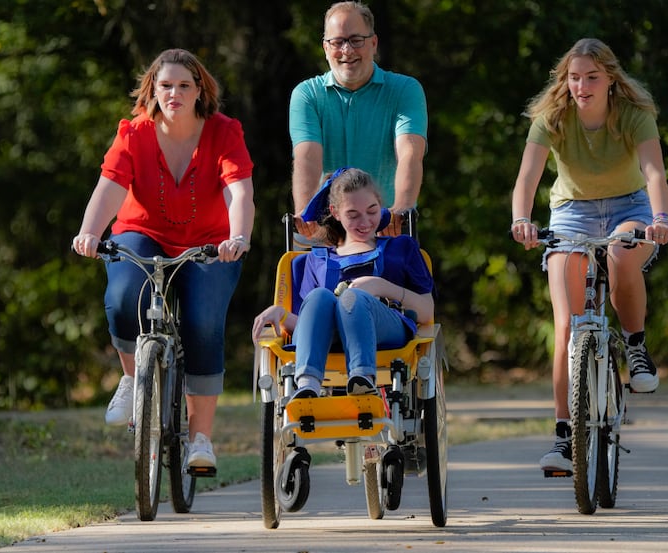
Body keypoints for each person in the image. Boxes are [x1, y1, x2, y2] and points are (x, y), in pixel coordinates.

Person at [72, 48, 255, 470]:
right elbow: (109, 188)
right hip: (143, 234)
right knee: (122, 298)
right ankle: (134, 379)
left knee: (203, 321)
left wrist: (239, 236)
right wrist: (90, 233)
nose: (174, 93)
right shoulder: (133, 134)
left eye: (184, 86)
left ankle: (201, 439)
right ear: (153, 88)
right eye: (166, 85)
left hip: (210, 243)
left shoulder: (224, 132)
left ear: (199, 91)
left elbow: (239, 192)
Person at [510, 38, 668, 472]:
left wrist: (661, 216)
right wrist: (521, 220)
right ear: (565, 80)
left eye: (592, 77)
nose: (582, 85)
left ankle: (636, 346)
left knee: (622, 254)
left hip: (630, 208)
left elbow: (655, 172)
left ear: (610, 80)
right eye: (575, 77)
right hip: (570, 214)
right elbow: (528, 176)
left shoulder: (634, 115)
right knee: (566, 325)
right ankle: (564, 436)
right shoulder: (552, 118)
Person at [252, 168, 434, 398]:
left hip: (385, 330)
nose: (365, 222)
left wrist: (382, 286)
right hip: (327, 338)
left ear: (381, 204)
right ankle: (308, 385)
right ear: (335, 213)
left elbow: (427, 312)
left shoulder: (401, 248)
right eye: (353, 214)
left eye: (372, 210)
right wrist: (281, 313)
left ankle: (363, 379)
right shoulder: (314, 260)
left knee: (353, 297)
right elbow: (308, 325)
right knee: (319, 296)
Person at [289, 1, 428, 241]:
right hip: (326, 228)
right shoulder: (307, 94)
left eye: (356, 40)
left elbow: (409, 153)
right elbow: (307, 156)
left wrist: (401, 208)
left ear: (373, 43)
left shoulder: (405, 89)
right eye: (337, 42)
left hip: (386, 225)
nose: (347, 50)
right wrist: (305, 213)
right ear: (325, 47)